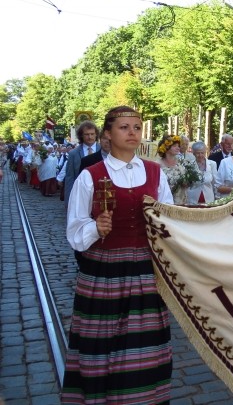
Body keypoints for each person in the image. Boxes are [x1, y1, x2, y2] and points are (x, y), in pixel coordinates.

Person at [62, 106, 174, 403]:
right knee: (101, 342)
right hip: (104, 273)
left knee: (142, 343)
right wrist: (95, 228)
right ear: (107, 135)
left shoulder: (155, 172)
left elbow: (170, 220)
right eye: (124, 127)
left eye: (136, 127)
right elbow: (74, 230)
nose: (132, 133)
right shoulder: (91, 175)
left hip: (144, 272)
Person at [64, 121, 100, 207]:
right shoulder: (73, 154)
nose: (90, 137)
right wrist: (69, 200)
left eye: (92, 134)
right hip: (81, 194)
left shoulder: (104, 150)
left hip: (100, 192)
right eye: (86, 134)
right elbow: (70, 177)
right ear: (81, 136)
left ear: (96, 135)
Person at [157, 134, 199, 205]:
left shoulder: (183, 162)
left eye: (178, 146)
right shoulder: (157, 165)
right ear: (166, 147)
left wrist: (187, 182)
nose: (178, 148)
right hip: (164, 202)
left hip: (181, 202)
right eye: (174, 146)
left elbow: (189, 180)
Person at [187, 141, 219, 205]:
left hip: (209, 199)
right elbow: (188, 183)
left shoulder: (212, 164)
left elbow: (215, 183)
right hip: (192, 199)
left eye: (202, 153)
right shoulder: (189, 165)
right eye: (198, 153)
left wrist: (217, 197)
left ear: (205, 152)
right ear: (193, 153)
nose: (200, 155)